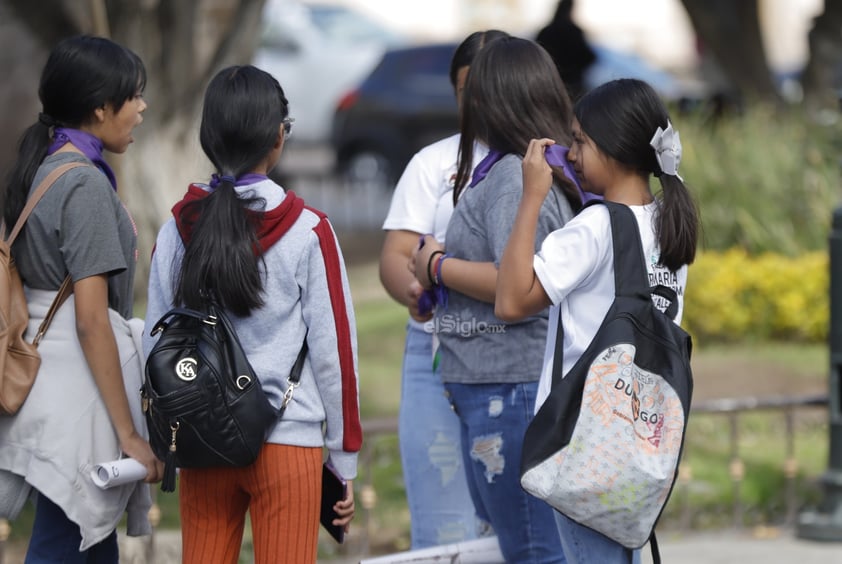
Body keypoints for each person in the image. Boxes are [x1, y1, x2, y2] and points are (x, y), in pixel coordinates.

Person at [143, 64, 361, 564]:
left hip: (202, 441)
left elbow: (156, 347)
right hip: (288, 442)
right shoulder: (309, 231)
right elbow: (337, 355)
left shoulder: (176, 230)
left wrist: (161, 436)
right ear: (277, 139)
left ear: (208, 138)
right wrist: (343, 459)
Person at [495, 78, 700, 563]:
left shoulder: (593, 228)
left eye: (581, 141)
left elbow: (510, 300)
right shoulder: (670, 226)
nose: (573, 152)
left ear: (613, 148)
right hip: (640, 438)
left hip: (586, 439)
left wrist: (532, 196)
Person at [411, 36, 583, 563]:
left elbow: (519, 284)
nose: (469, 108)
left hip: (508, 390)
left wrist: (437, 265)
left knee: (534, 551)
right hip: (499, 389)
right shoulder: (519, 171)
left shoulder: (513, 177)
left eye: (477, 94)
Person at [0, 35, 163, 562]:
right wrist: (128, 435)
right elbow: (93, 321)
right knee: (64, 537)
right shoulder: (85, 185)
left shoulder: (39, 169)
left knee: (89, 540)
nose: (141, 109)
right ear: (99, 107)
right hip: (77, 388)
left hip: (45, 373)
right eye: (133, 96)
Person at [379, 28, 509, 549]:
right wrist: (411, 288)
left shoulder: (544, 162)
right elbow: (395, 254)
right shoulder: (434, 165)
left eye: (487, 89)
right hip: (437, 354)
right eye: (464, 94)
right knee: (442, 523)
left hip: (516, 359)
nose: (476, 104)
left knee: (515, 521)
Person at [535, 0, 596, 101]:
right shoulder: (574, 31)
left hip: (549, 82)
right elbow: (588, 57)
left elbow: (536, 57)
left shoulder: (546, 32)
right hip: (572, 83)